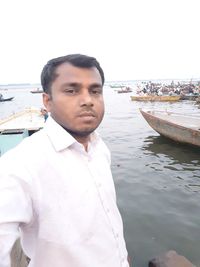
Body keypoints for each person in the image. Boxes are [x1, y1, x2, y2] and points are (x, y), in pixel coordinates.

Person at [0, 54, 129, 267]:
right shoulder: (19, 166)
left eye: (95, 91)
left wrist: (121, 255)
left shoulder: (100, 148)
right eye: (71, 90)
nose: (88, 99)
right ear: (47, 101)